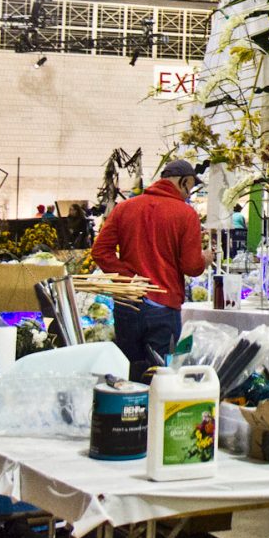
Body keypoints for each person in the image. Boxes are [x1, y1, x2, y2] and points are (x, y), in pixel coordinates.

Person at [91, 159, 210, 381]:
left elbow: (100, 251)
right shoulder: (186, 214)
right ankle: (154, 415)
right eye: (190, 187)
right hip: (163, 306)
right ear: (184, 181)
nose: (189, 194)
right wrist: (205, 259)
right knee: (161, 375)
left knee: (127, 372)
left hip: (128, 303)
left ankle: (128, 412)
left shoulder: (125, 208)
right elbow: (191, 267)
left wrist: (128, 277)